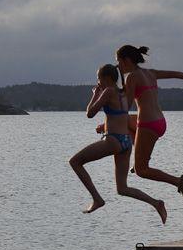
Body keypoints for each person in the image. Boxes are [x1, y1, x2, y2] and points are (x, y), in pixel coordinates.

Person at [116, 44, 183, 203]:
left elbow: (125, 107)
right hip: (160, 122)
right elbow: (175, 74)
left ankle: (178, 181)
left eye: (118, 62)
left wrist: (114, 93)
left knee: (142, 171)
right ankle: (138, 158)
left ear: (126, 60)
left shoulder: (132, 77)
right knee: (127, 123)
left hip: (147, 125)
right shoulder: (150, 73)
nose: (117, 66)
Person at [69, 64, 168, 223]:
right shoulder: (124, 93)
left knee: (74, 161)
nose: (98, 81)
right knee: (122, 189)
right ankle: (156, 203)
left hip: (113, 140)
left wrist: (95, 95)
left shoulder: (108, 92)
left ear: (106, 78)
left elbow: (90, 113)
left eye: (98, 78)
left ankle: (97, 199)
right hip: (126, 142)